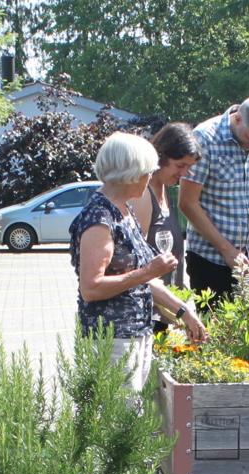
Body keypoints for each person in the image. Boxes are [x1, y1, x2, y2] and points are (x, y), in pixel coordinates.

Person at [71, 132, 207, 394]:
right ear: (130, 173)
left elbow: (140, 278)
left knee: (133, 416)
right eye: (147, 171)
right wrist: (148, 271)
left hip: (135, 333)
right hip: (111, 338)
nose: (150, 177)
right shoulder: (99, 218)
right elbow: (91, 287)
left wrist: (183, 311)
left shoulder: (124, 210)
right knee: (119, 421)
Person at [179, 97, 249, 300]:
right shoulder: (204, 138)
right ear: (237, 119)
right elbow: (187, 203)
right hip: (210, 260)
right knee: (214, 330)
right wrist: (227, 250)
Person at [135, 122, 202, 293]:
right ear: (160, 156)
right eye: (180, 165)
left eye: (189, 167)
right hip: (150, 310)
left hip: (169, 307)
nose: (184, 173)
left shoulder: (165, 188)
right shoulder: (142, 195)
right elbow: (136, 264)